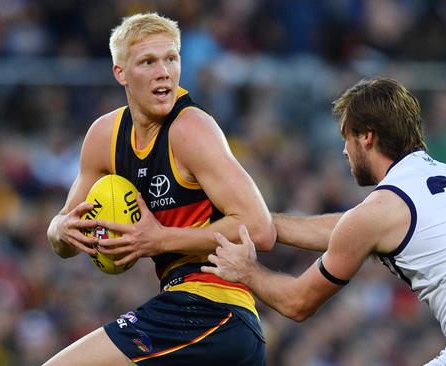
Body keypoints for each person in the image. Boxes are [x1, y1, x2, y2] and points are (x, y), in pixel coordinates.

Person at [203, 78, 446, 365]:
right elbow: (346, 228)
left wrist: (247, 271)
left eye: (346, 137)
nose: (344, 150)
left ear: (367, 136)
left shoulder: (380, 211)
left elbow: (299, 303)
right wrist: (265, 223)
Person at [44, 12, 275, 366]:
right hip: (198, 319)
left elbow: (259, 229)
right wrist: (61, 229)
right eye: (148, 62)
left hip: (214, 310)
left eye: (171, 58)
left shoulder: (191, 129)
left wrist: (159, 239)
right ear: (120, 73)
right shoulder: (104, 137)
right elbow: (61, 234)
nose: (163, 71)